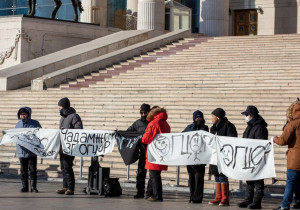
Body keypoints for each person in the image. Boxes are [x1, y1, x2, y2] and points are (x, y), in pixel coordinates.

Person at [238, 106, 268, 209]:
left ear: (251, 115)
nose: (245, 117)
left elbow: (259, 143)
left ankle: (257, 201)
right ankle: (248, 200)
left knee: (258, 181)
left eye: (246, 115)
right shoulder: (250, 126)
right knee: (249, 179)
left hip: (256, 157)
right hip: (248, 156)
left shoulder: (259, 127)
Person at [273, 100, 300, 210]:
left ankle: (285, 205)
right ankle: (298, 201)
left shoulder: (293, 124)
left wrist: (275, 139)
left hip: (295, 159)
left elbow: (283, 140)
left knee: (290, 182)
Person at [209, 108, 237, 206]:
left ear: (218, 117)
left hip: (224, 156)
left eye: (213, 116)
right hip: (214, 156)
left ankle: (225, 198)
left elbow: (232, 140)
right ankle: (218, 197)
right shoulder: (213, 128)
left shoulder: (228, 126)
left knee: (223, 176)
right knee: (217, 176)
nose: (211, 118)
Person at [141, 106, 170, 202]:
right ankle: (149, 193)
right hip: (162, 152)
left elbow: (146, 139)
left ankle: (157, 195)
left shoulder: (153, 123)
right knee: (154, 174)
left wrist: (143, 136)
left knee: (154, 175)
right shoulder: (165, 123)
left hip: (154, 153)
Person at [56, 97, 83, 195]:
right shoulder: (62, 117)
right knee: (63, 167)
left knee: (68, 167)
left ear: (64, 107)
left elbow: (78, 129)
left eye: (60, 107)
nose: (59, 109)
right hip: (62, 147)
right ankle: (65, 186)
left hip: (70, 147)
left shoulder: (74, 116)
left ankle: (71, 187)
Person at [182, 110, 209, 204]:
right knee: (191, 177)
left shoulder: (205, 128)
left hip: (200, 158)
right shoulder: (189, 127)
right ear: (194, 118)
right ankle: (192, 196)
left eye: (200, 117)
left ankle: (197, 198)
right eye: (197, 117)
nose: (199, 119)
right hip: (190, 158)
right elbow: (182, 136)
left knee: (199, 178)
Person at [127, 103, 151, 199]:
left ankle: (150, 192)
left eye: (145, 113)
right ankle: (140, 192)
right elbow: (128, 132)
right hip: (142, 153)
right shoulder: (137, 123)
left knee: (152, 175)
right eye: (142, 113)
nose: (143, 115)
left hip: (152, 153)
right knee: (140, 174)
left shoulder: (152, 123)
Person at [15, 107, 41, 193]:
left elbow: (40, 133)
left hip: (32, 151)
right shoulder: (18, 125)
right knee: (23, 170)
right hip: (21, 151)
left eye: (24, 114)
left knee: (32, 170)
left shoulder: (35, 123)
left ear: (28, 115)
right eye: (21, 114)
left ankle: (33, 187)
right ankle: (25, 186)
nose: (23, 116)